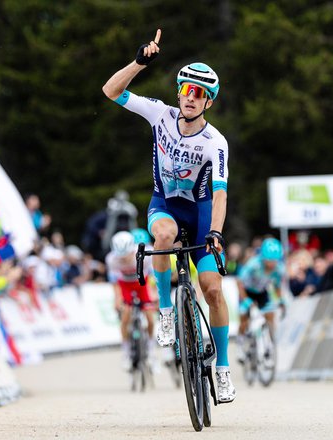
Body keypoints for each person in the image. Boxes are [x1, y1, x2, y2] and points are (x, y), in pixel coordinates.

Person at [102, 29, 235, 402]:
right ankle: (164, 310)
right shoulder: (160, 114)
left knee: (212, 289)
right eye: (187, 90)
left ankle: (223, 368)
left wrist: (216, 233)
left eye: (200, 94)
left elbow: (221, 194)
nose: (192, 98)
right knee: (161, 237)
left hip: (202, 213)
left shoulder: (215, 143)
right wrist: (139, 63)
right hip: (165, 205)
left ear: (208, 103)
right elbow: (110, 92)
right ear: (179, 93)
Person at [106, 230, 155, 371]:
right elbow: (115, 283)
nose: (123, 259)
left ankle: (151, 350)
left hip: (142, 283)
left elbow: (152, 277)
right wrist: (117, 300)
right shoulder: (111, 259)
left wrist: (153, 294)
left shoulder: (145, 254)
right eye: (120, 256)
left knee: (150, 319)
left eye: (126, 256)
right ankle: (126, 352)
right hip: (125, 286)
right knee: (125, 318)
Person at [236, 238, 286, 364]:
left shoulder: (279, 269)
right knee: (244, 318)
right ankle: (240, 346)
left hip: (262, 292)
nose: (272, 263)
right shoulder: (253, 264)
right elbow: (239, 282)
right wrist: (246, 299)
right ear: (263, 258)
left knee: (270, 315)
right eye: (269, 260)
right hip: (246, 291)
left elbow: (277, 286)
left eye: (275, 260)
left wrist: (280, 300)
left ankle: (269, 345)